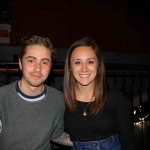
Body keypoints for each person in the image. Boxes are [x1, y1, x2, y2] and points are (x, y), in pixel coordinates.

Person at [63, 37, 137, 150]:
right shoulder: (61, 95)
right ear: (70, 67)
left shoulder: (114, 96)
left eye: (90, 62)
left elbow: (128, 139)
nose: (84, 69)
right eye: (77, 62)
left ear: (98, 65)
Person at [0, 35, 65, 150]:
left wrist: (92, 141)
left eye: (44, 62)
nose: (37, 68)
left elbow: (56, 135)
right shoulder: (2, 97)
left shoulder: (59, 99)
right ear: (20, 63)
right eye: (31, 61)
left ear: (50, 67)